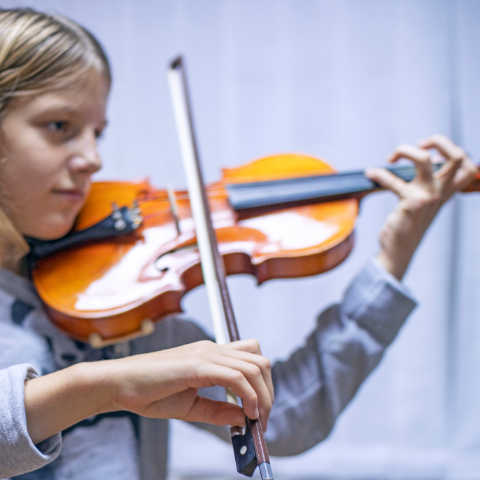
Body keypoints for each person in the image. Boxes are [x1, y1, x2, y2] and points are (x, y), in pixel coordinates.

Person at [0, 7, 476, 480]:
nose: (92, 158)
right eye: (60, 126)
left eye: (97, 132)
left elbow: (287, 417)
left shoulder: (114, 296)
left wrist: (392, 258)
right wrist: (105, 385)